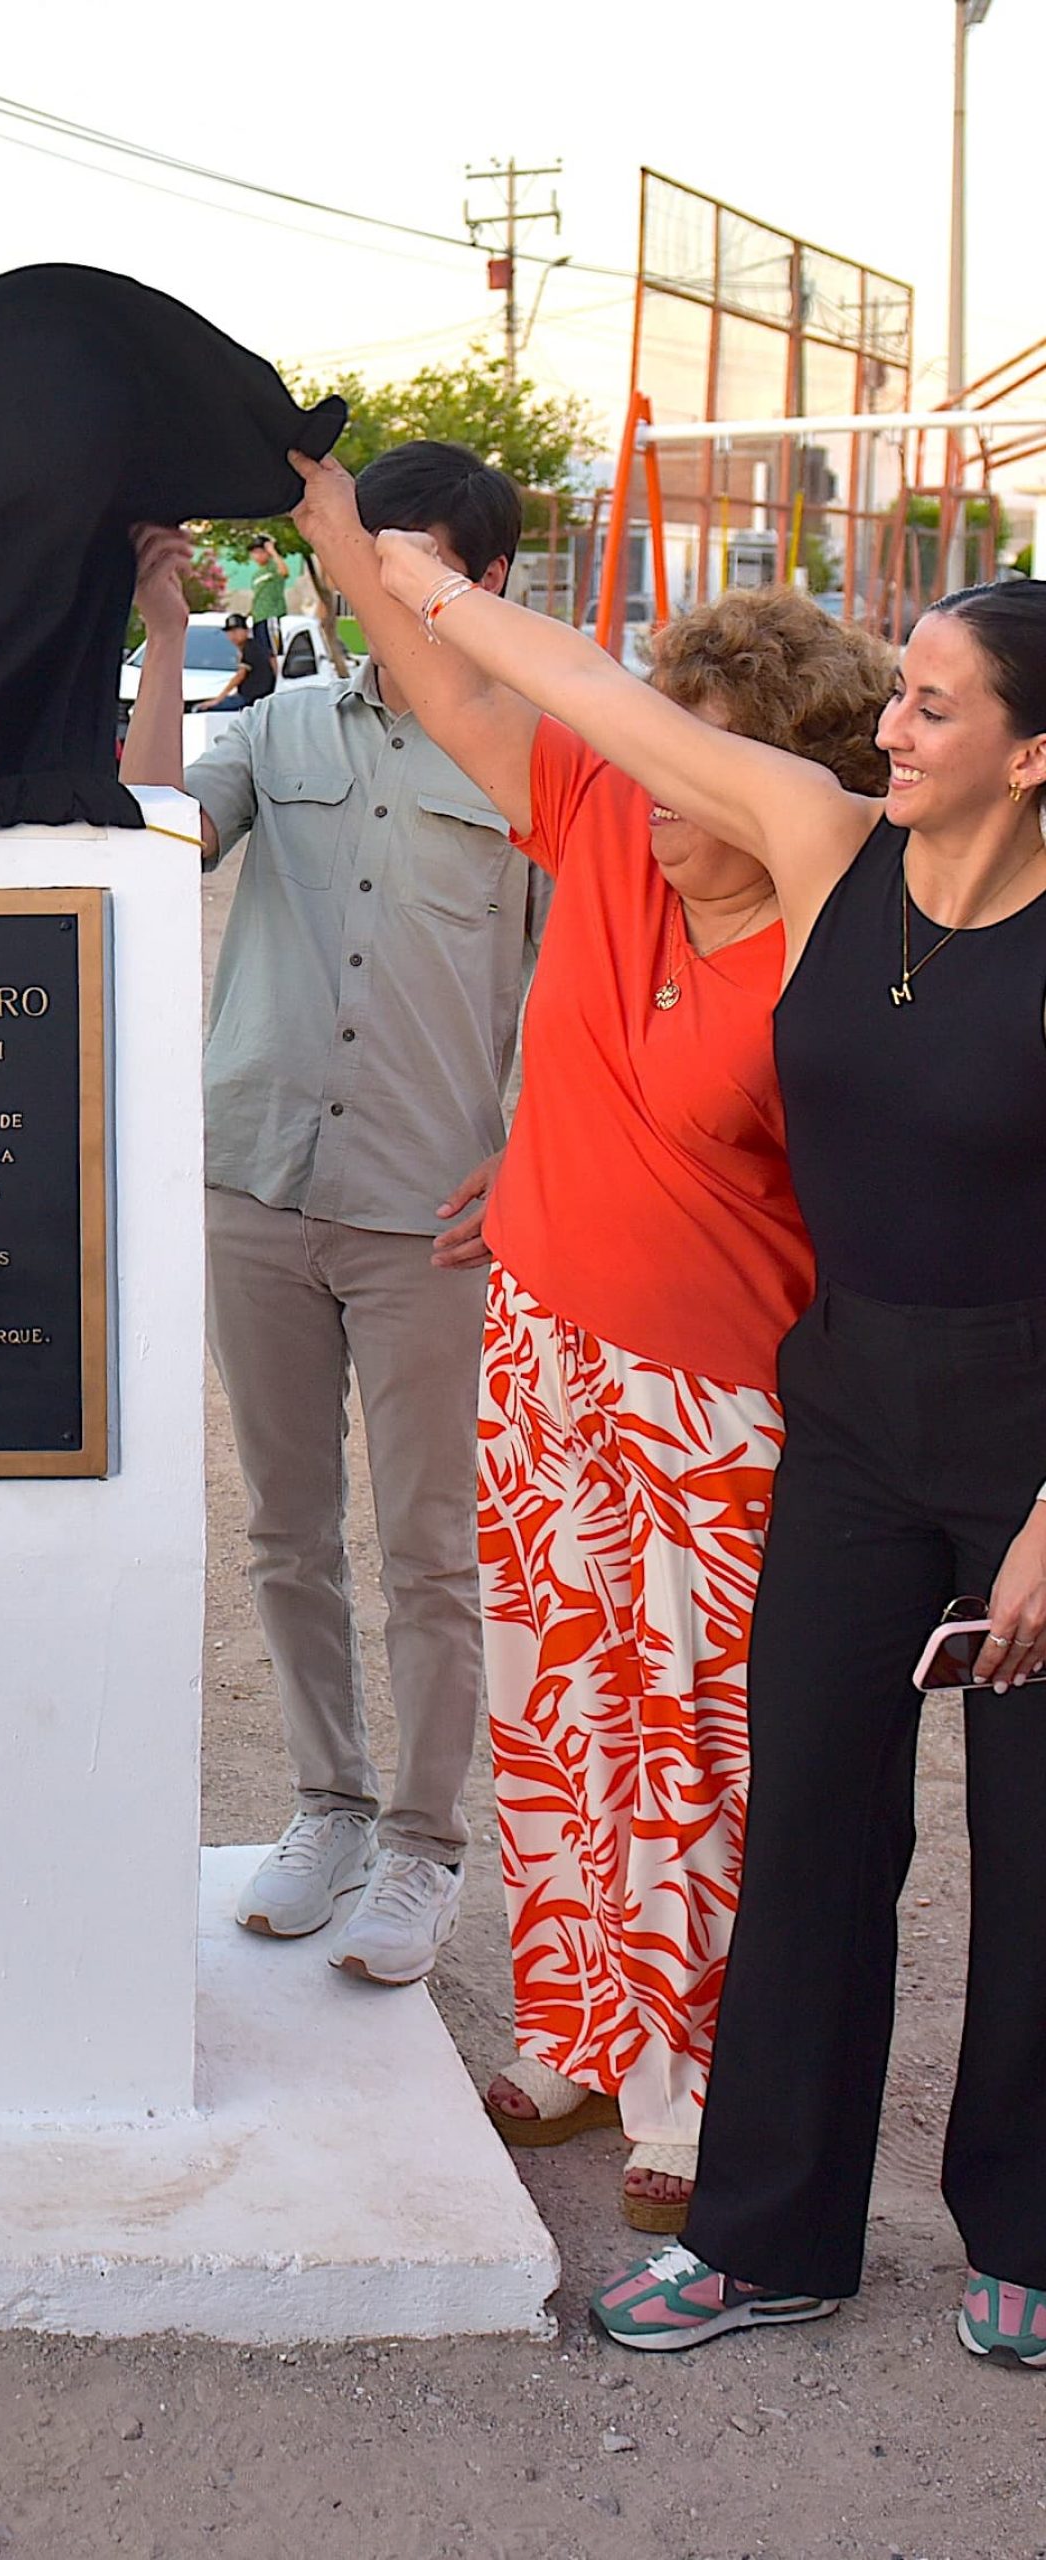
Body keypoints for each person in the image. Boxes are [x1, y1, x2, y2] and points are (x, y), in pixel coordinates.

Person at [372, 528, 1046, 2370]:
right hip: (844, 1413)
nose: (895, 729)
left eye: (933, 704)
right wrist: (409, 573)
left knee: (1036, 1848)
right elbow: (585, 694)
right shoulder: (841, 851)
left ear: (1031, 750)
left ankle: (1035, 2239)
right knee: (814, 1832)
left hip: (1024, 1440)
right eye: (896, 695)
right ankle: (772, 2241)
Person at [291, 448, 894, 2232]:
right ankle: (569, 2039)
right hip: (543, 1354)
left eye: (683, 757)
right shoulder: (604, 836)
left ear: (769, 769)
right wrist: (342, 540)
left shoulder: (829, 929)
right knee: (552, 1718)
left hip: (712, 1408)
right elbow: (458, 686)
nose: (645, 783)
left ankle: (690, 2101)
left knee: (689, 1748)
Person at [122, 441, 549, 1986]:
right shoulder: (283, 721)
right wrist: (170, 635)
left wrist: (527, 1159)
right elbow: (143, 838)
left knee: (431, 1546)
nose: (368, 584)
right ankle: (327, 1808)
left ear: (485, 581)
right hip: (257, 1180)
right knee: (287, 1532)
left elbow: (580, 993)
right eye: (352, 555)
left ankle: (427, 1848)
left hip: (430, 1212)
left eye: (409, 558)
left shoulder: (531, 761)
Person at [195, 610, 278, 714]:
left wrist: (218, 699)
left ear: (246, 631)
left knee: (203, 709)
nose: (232, 635)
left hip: (251, 700)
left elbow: (240, 675)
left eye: (236, 631)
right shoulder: (247, 648)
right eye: (229, 632)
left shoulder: (251, 648)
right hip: (253, 699)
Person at [246, 532, 292, 643]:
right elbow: (257, 595)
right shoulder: (256, 575)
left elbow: (284, 572)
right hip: (258, 618)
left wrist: (273, 551)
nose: (257, 555)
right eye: (254, 552)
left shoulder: (274, 566)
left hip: (272, 616)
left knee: (274, 651)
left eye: (261, 552)